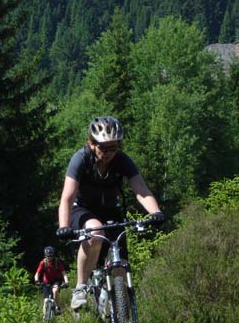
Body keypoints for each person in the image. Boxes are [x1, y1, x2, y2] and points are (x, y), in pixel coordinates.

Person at [56, 116, 164, 310]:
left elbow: (141, 189)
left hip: (111, 212)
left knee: (121, 268)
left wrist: (155, 212)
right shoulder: (81, 159)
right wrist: (64, 226)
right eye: (103, 148)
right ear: (91, 144)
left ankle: (122, 314)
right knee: (96, 231)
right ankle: (80, 287)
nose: (108, 153)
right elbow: (67, 198)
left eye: (113, 148)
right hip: (82, 210)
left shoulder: (122, 161)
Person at [34, 246, 69, 315]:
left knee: (55, 291)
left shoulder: (57, 262)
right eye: (48, 256)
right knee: (46, 300)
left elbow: (63, 273)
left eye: (51, 256)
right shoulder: (43, 263)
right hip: (46, 281)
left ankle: (57, 307)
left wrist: (66, 281)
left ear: (53, 255)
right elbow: (37, 273)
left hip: (56, 280)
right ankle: (45, 318)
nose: (49, 258)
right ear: (45, 256)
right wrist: (37, 280)